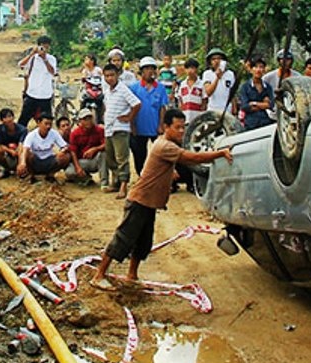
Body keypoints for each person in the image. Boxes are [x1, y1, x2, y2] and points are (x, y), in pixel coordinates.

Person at [90, 109, 233, 289]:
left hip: (149, 204)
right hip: (139, 202)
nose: (182, 131)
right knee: (123, 239)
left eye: (183, 127)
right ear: (166, 127)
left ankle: (132, 275)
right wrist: (220, 153)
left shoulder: (164, 144)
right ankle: (99, 275)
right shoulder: (166, 146)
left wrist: (168, 173)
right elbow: (193, 158)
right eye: (177, 128)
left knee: (143, 243)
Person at [101, 63, 141, 198]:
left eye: (112, 75)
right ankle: (116, 182)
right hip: (109, 128)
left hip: (120, 128)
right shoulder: (107, 91)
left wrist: (129, 117)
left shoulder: (123, 89)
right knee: (110, 157)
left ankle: (124, 185)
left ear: (118, 75)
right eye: (106, 76)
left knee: (121, 157)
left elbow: (136, 104)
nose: (109, 78)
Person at [130, 56, 169, 176]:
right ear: (141, 71)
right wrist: (132, 126)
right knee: (139, 154)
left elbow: (163, 107)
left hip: (155, 126)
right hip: (139, 126)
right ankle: (142, 176)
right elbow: (131, 108)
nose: (149, 72)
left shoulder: (161, 88)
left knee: (160, 153)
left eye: (152, 69)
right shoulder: (134, 88)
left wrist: (161, 125)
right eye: (146, 69)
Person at [17, 114, 70, 183]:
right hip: (35, 160)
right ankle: (31, 175)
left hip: (49, 160)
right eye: (46, 124)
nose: (48, 126)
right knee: (26, 154)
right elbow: (25, 149)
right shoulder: (31, 135)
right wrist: (22, 163)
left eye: (50, 124)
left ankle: (51, 175)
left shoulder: (54, 133)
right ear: (39, 123)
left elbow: (65, 146)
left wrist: (62, 151)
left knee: (66, 156)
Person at [17, 36, 57, 128]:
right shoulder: (33, 58)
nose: (44, 49)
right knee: (23, 119)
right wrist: (32, 54)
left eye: (46, 47)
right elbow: (21, 64)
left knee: (46, 120)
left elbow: (53, 72)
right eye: (42, 47)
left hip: (45, 94)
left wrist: (45, 59)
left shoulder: (51, 59)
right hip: (32, 93)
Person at [66, 108, 105, 184]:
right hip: (82, 161)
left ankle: (104, 182)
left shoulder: (99, 130)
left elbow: (106, 144)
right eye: (85, 119)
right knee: (69, 172)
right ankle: (86, 178)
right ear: (80, 121)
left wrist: (95, 149)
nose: (88, 121)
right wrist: (77, 167)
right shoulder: (75, 133)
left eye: (90, 118)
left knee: (104, 154)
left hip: (96, 160)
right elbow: (73, 151)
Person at [238, 56, 275, 130]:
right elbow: (245, 106)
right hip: (250, 123)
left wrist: (253, 103)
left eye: (261, 67)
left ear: (264, 70)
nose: (258, 70)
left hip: (266, 122)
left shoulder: (267, 87)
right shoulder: (245, 87)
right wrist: (263, 104)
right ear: (251, 69)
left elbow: (271, 105)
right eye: (255, 67)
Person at [0, 108, 27, 179]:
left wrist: (18, 154)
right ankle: (7, 169)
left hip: (20, 151)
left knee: (26, 151)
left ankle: (22, 169)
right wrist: (10, 151)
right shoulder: (0, 129)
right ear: (2, 120)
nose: (8, 119)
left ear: (13, 117)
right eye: (5, 117)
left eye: (10, 116)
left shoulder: (22, 129)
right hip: (8, 151)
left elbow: (21, 144)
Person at [202, 47, 236, 114]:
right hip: (213, 109)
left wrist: (234, 107)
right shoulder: (207, 74)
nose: (216, 61)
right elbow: (208, 92)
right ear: (210, 62)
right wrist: (217, 78)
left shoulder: (230, 74)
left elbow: (232, 92)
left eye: (219, 58)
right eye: (213, 59)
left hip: (227, 109)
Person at [176, 57, 206, 126]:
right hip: (185, 117)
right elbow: (180, 100)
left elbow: (204, 101)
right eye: (187, 68)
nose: (190, 70)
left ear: (197, 69)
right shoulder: (182, 84)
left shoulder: (201, 84)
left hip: (197, 117)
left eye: (192, 68)